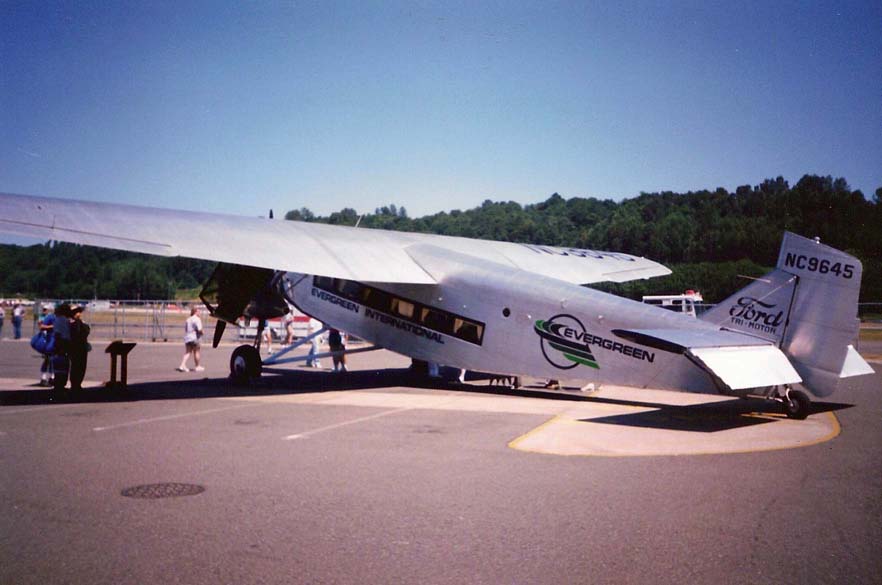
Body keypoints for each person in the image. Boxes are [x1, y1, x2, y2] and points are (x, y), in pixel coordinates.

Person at [51, 303, 73, 399]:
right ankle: (60, 387)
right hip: (64, 344)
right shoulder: (64, 321)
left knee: (60, 367)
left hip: (61, 344)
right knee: (63, 367)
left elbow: (57, 334)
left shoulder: (59, 320)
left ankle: (59, 386)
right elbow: (59, 334)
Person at [68, 306, 91, 391]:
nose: (78, 314)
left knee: (82, 366)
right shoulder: (70, 324)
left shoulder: (82, 323)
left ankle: (78, 383)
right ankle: (74, 384)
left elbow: (87, 331)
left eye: (79, 312)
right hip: (74, 348)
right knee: (75, 366)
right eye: (76, 312)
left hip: (82, 348)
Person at [177, 307, 204, 372]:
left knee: (188, 352)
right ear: (196, 312)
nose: (199, 313)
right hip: (195, 337)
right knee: (196, 352)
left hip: (188, 337)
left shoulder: (188, 319)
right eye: (198, 311)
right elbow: (199, 329)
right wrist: (202, 333)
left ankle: (182, 365)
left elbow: (186, 329)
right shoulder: (197, 319)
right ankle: (197, 366)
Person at [38, 305, 56, 386]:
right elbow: (41, 326)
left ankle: (52, 377)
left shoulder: (62, 318)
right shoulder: (50, 317)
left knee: (54, 361)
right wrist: (51, 326)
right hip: (48, 341)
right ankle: (43, 378)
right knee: (48, 360)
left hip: (57, 342)